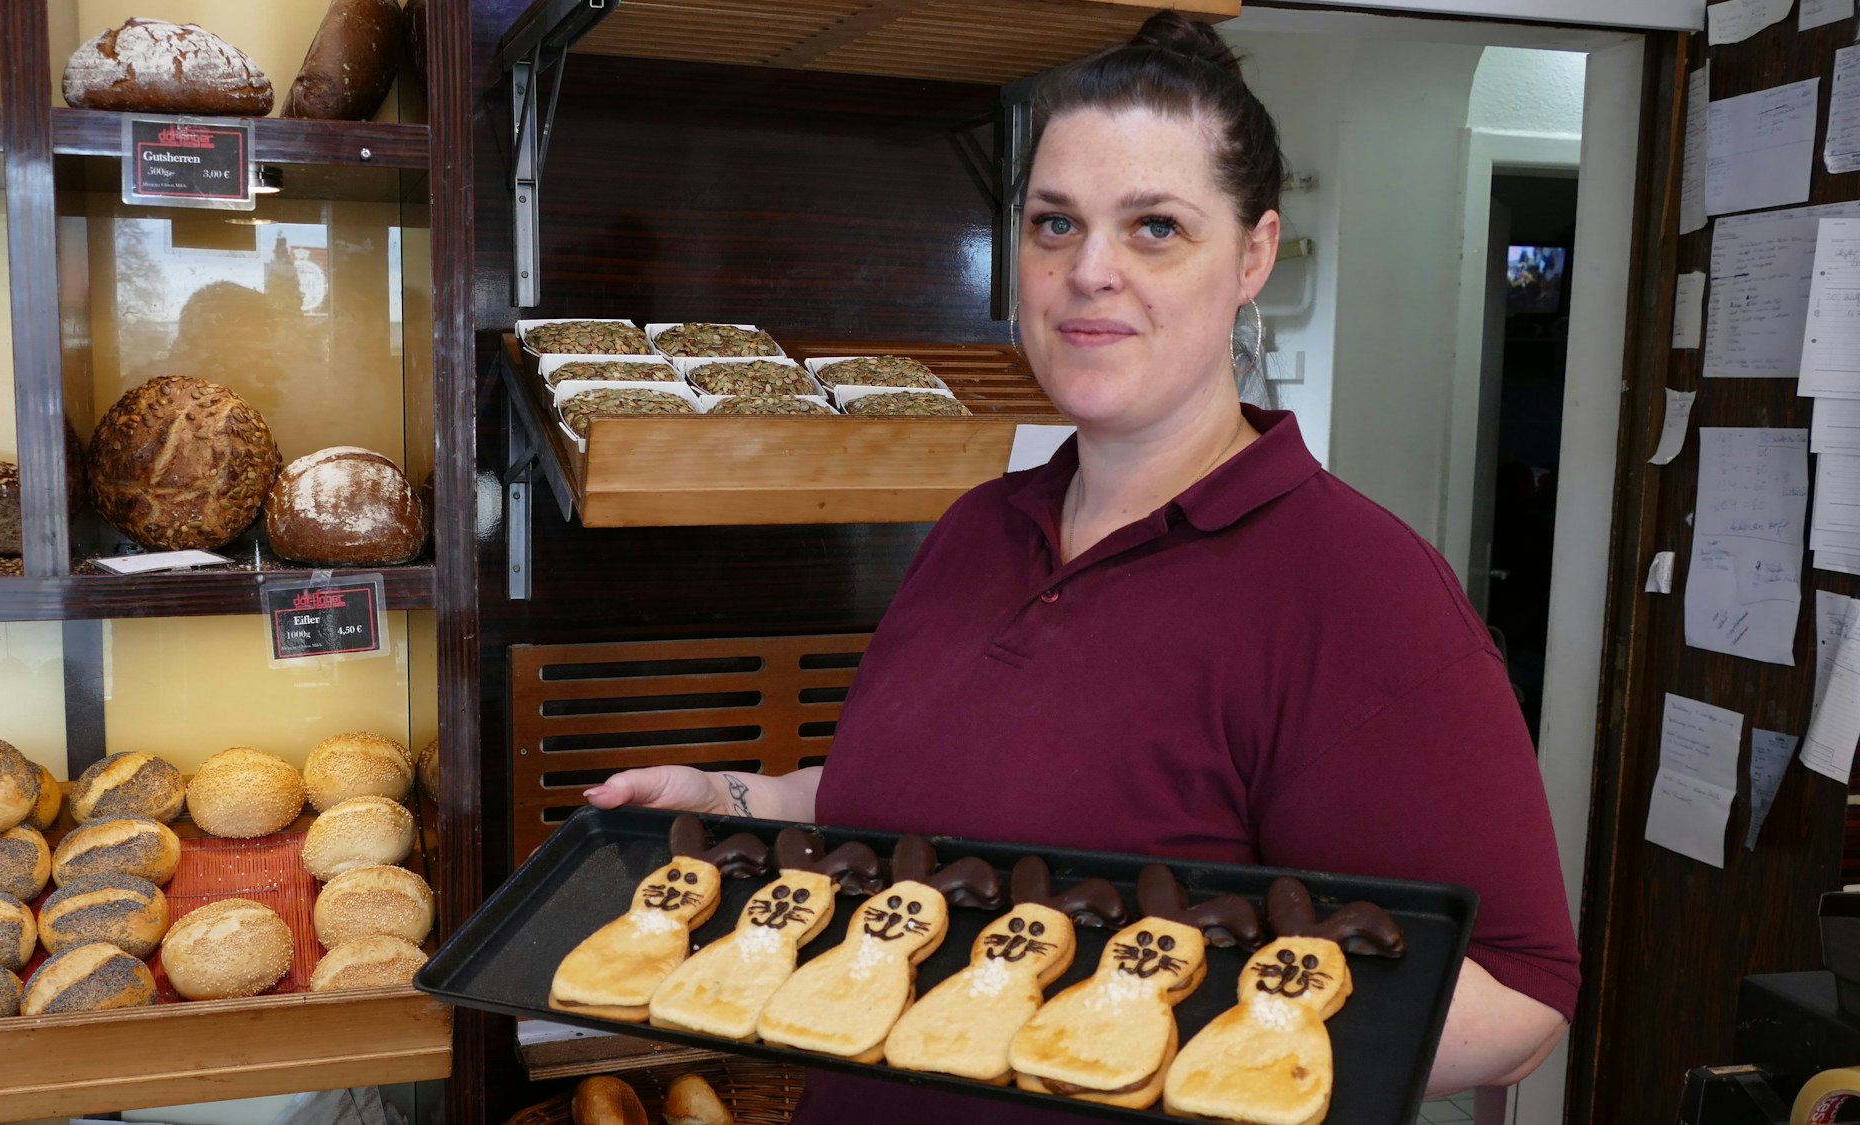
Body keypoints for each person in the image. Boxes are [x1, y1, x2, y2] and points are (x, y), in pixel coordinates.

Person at [586, 11, 1578, 1119]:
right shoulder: (978, 528)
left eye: (1155, 227)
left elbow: (1521, 1001)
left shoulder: (1357, 590)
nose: (1089, 271)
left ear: (1252, 255)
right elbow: (930, 812)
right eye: (1054, 223)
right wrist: (738, 802)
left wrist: (1139, 1008)